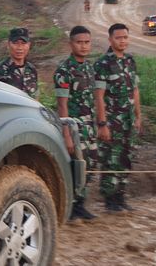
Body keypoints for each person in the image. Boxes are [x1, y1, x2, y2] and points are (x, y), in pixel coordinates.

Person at [94, 22, 142, 212]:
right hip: (112, 122)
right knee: (110, 159)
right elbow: (98, 96)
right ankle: (110, 200)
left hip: (128, 121)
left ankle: (121, 197)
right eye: (118, 38)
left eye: (125, 37)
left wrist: (139, 116)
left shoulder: (130, 61)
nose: (122, 41)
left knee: (126, 158)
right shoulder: (103, 64)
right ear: (110, 39)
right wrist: (102, 123)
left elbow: (135, 90)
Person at [54, 25, 98, 220]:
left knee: (90, 164)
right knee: (74, 166)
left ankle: (80, 204)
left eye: (86, 42)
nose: (83, 46)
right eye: (79, 42)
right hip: (73, 127)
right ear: (71, 44)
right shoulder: (64, 71)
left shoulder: (89, 67)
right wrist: (66, 135)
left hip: (89, 126)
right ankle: (69, 206)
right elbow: (62, 105)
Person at [0, 27, 39, 99]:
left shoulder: (32, 69)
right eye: (15, 43)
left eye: (23, 43)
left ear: (29, 45)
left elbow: (35, 98)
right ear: (8, 45)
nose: (19, 48)